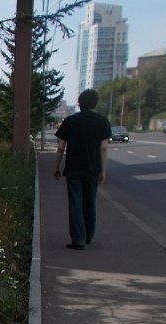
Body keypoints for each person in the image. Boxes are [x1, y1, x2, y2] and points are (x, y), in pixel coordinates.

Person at [53, 89, 112, 250]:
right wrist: (103, 170)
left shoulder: (70, 121)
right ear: (95, 103)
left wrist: (57, 167)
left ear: (79, 103)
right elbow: (104, 148)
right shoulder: (102, 121)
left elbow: (60, 147)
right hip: (93, 168)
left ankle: (77, 239)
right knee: (90, 202)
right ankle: (88, 236)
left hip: (74, 168)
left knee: (75, 203)